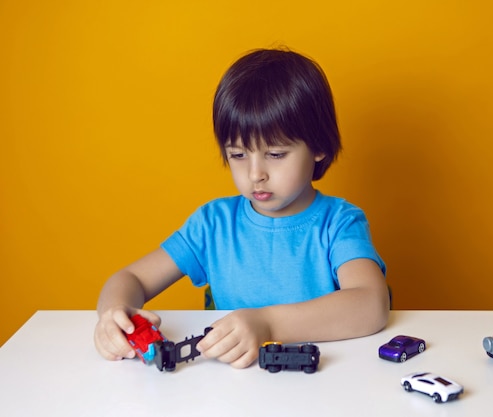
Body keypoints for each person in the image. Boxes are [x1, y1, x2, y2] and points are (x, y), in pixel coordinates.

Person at [94, 48, 390, 369]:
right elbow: (129, 278)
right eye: (237, 155)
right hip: (232, 390)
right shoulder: (213, 225)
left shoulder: (339, 223)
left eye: (275, 154)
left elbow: (371, 304)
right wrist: (116, 314)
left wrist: (267, 324)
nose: (255, 174)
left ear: (318, 146)